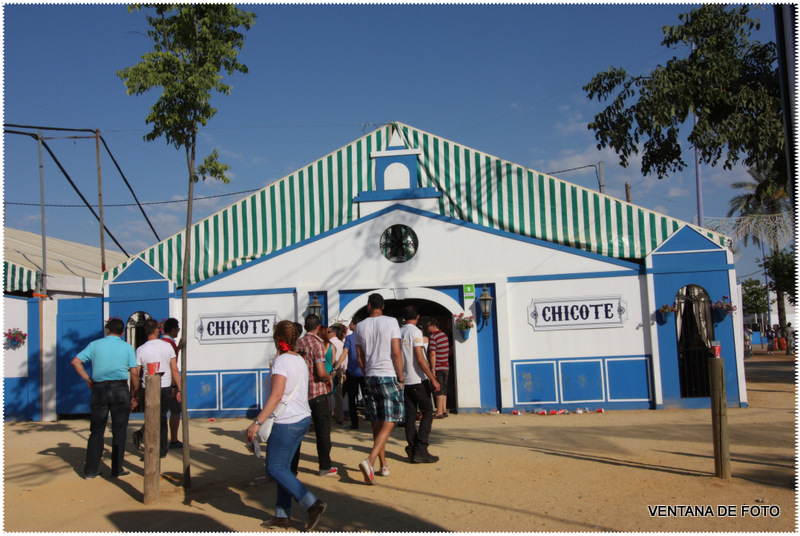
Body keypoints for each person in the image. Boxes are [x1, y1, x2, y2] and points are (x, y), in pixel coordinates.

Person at [246, 320, 327, 531]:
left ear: (278, 339)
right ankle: (282, 515)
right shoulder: (299, 359)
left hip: (286, 421)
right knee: (284, 468)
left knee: (274, 468)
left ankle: (312, 504)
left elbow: (276, 395)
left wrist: (257, 422)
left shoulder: (281, 362)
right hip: (301, 418)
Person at [70, 317, 139, 479]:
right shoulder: (127, 347)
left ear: (108, 330)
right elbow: (134, 373)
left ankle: (91, 470)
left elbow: (75, 362)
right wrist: (135, 394)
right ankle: (117, 469)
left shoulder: (95, 345)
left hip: (99, 389)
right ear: (122, 333)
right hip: (120, 388)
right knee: (119, 430)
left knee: (96, 430)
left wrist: (88, 379)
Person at [354, 293, 404, 484]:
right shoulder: (391, 322)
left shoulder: (360, 326)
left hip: (370, 375)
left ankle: (383, 464)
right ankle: (371, 459)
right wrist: (401, 376)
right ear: (382, 306)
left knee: (377, 420)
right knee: (392, 418)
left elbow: (360, 357)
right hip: (388, 373)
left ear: (368, 306)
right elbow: (396, 351)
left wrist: (366, 373)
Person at [132, 318, 181, 459]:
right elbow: (174, 369)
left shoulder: (141, 349)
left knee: (150, 417)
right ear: (156, 330)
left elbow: (136, 371)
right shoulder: (167, 347)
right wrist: (178, 388)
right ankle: (161, 449)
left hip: (147, 386)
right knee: (161, 417)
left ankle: (150, 447)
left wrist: (135, 392)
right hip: (164, 385)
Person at [296, 314, 338, 477]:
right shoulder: (318, 345)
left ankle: (292, 467)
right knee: (322, 431)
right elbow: (320, 372)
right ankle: (324, 466)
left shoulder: (298, 343)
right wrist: (329, 377)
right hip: (317, 392)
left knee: (298, 432)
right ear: (319, 327)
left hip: (301, 393)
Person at [400, 306, 441, 464]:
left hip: (405, 379)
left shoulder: (399, 331)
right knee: (427, 412)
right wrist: (433, 378)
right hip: (417, 378)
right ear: (417, 317)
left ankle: (411, 449)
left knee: (410, 416)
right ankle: (421, 449)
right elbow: (420, 357)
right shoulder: (415, 332)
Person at [160, 317, 183, 449]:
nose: (178, 331)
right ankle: (173, 440)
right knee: (175, 411)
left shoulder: (162, 343)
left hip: (162, 383)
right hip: (170, 383)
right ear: (173, 329)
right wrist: (175, 386)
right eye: (178, 329)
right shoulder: (169, 344)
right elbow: (172, 366)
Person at [342, 318, 365, 429]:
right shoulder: (365, 337)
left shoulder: (350, 338)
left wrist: (336, 366)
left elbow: (345, 353)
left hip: (352, 372)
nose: (349, 325)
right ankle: (372, 419)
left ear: (355, 325)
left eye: (350, 323)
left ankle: (354, 423)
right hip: (364, 372)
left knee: (352, 399)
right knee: (368, 397)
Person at [427, 319, 450, 418]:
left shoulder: (433, 337)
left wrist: (432, 369)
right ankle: (444, 410)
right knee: (444, 388)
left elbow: (433, 354)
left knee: (438, 389)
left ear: (433, 326)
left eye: (428, 326)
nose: (427, 328)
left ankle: (439, 412)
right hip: (446, 366)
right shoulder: (444, 335)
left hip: (439, 366)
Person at [328, 324, 348, 424]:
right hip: (339, 369)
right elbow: (345, 358)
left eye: (329, 332)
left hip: (329, 369)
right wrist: (344, 371)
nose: (327, 334)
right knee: (338, 395)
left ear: (333, 333)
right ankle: (339, 416)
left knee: (327, 394)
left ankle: (327, 415)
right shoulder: (341, 343)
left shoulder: (328, 343)